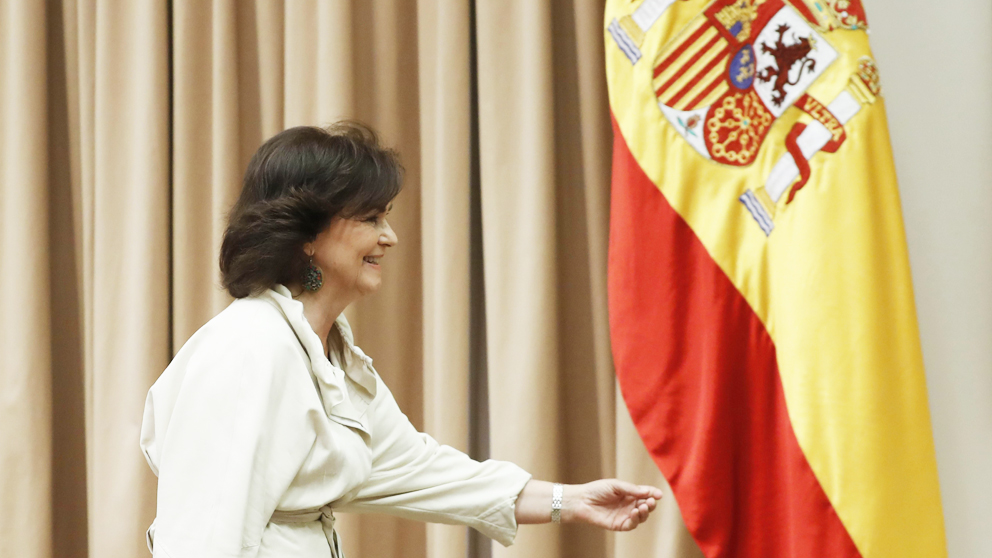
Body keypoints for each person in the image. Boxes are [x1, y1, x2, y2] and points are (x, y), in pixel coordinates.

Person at [139, 122, 663, 558]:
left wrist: (571, 501)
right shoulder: (251, 348)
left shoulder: (328, 353)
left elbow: (418, 469)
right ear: (306, 235)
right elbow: (202, 540)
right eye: (370, 218)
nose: (388, 236)